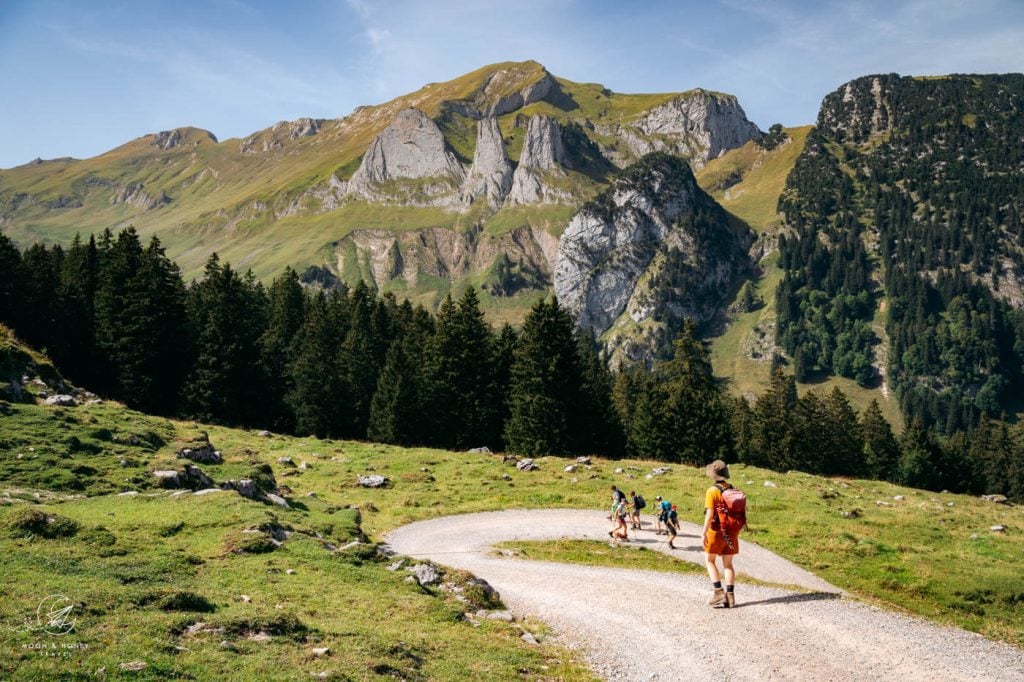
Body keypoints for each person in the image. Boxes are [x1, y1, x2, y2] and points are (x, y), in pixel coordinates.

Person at [702, 459, 738, 608]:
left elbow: (709, 515)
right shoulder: (732, 489)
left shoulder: (712, 491)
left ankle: (718, 592)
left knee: (709, 560)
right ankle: (730, 597)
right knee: (728, 564)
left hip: (716, 531)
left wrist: (703, 532)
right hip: (732, 531)